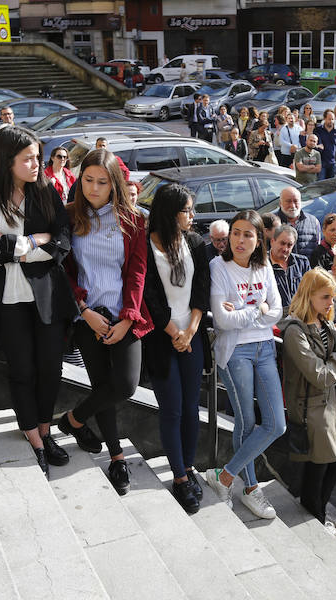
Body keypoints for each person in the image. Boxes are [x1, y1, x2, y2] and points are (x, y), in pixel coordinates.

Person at [0, 125, 71, 475]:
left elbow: (63, 243)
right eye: (28, 159)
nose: (36, 164)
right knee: (22, 370)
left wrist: (14, 247)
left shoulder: (46, 194)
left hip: (47, 298)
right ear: (7, 161)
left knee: (50, 369)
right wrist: (34, 242)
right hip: (6, 300)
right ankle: (34, 438)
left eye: (38, 157)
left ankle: (45, 428)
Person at [61, 148, 153, 495]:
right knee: (101, 386)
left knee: (125, 385)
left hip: (124, 315)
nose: (94, 188)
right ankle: (117, 458)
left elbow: (137, 273)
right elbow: (64, 270)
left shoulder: (133, 220)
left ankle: (73, 420)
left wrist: (129, 319)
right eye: (88, 180)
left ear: (115, 183)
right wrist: (83, 310)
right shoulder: (70, 216)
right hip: (88, 316)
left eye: (102, 182)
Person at [203, 210, 285, 518]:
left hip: (265, 347)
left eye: (247, 234)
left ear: (258, 239)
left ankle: (223, 475)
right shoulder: (218, 266)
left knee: (276, 423)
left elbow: (277, 311)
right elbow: (222, 321)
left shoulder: (264, 266)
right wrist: (256, 309)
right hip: (235, 350)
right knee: (246, 422)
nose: (240, 240)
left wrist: (243, 309)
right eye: (236, 232)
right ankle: (251, 488)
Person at [142, 183, 209, 513]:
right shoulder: (146, 244)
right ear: (171, 213)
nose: (192, 216)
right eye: (187, 211)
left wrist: (191, 329)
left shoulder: (195, 242)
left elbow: (202, 290)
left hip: (192, 335)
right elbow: (149, 297)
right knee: (172, 408)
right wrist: (174, 333)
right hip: (160, 338)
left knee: (191, 407)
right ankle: (179, 478)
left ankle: (189, 465)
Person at [280, 268, 336, 524]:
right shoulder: (294, 330)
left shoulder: (325, 322)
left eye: (333, 298)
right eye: (326, 297)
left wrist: (334, 364)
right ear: (309, 295)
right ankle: (315, 515)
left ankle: (317, 511)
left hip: (332, 402)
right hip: (311, 405)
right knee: (320, 464)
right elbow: (318, 375)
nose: (331, 303)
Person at [269, 224, 310, 312]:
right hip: (275, 318)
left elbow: (311, 290)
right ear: (272, 241)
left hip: (299, 316)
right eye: (282, 243)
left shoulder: (302, 263)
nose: (285, 248)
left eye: (289, 245)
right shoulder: (262, 265)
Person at [276, 187, 321, 257]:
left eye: (295, 201)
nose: (292, 205)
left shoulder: (314, 222)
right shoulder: (272, 223)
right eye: (288, 201)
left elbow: (317, 251)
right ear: (280, 203)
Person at [315, 109, 336, 180]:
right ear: (324, 119)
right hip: (321, 162)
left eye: (333, 119)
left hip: (333, 162)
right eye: (329, 119)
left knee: (331, 184)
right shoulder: (318, 129)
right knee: (321, 183)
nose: (331, 121)